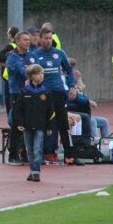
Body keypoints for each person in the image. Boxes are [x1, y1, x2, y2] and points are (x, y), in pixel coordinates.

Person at [36, 28, 82, 166]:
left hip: (58, 92)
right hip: (42, 93)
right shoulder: (35, 55)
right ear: (40, 39)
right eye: (45, 38)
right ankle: (41, 154)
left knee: (63, 125)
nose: (48, 41)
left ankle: (70, 156)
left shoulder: (59, 53)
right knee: (42, 124)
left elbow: (68, 69)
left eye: (50, 38)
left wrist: (72, 86)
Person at [14, 64, 54, 182]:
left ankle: (36, 171)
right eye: (38, 74)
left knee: (37, 149)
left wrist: (49, 126)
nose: (41, 76)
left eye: (42, 74)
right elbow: (18, 109)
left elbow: (51, 111)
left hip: (41, 125)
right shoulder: (25, 91)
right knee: (29, 150)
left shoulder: (46, 92)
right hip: (27, 125)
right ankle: (32, 170)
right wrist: (20, 123)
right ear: (31, 76)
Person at [6, 31, 36, 164]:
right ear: (18, 41)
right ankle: (13, 154)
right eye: (25, 40)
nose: (28, 42)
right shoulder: (12, 57)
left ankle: (25, 153)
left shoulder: (32, 55)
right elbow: (23, 71)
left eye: (29, 39)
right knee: (17, 123)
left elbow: (38, 70)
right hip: (17, 93)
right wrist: (31, 72)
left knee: (30, 123)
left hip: (31, 92)